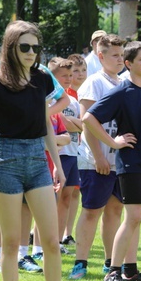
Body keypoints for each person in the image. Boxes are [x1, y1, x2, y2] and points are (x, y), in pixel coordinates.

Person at [0, 20, 84, 281]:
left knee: (49, 240)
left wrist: (57, 165)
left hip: (37, 160)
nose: (32, 53)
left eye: (36, 47)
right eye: (25, 47)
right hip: (6, 159)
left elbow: (45, 123)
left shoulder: (43, 79)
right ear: (11, 48)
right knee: (10, 243)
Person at [83, 41, 141, 281]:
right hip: (130, 163)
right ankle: (112, 272)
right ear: (128, 64)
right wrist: (113, 142)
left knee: (138, 218)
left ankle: (130, 271)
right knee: (132, 217)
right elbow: (89, 118)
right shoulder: (121, 91)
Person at [69, 34, 127, 280]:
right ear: (101, 56)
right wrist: (98, 157)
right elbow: (86, 123)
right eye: (115, 55)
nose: (120, 60)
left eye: (123, 55)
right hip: (96, 162)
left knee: (115, 211)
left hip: (120, 161)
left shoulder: (124, 83)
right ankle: (80, 263)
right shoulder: (95, 82)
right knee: (92, 211)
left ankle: (110, 263)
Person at [49, 58, 82, 253]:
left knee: (67, 198)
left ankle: (60, 241)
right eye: (64, 76)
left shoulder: (74, 101)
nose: (69, 79)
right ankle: (46, 240)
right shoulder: (49, 100)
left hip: (73, 153)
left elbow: (82, 126)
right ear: (53, 77)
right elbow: (70, 124)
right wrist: (71, 123)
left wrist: (67, 121)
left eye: (71, 75)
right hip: (56, 155)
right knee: (52, 199)